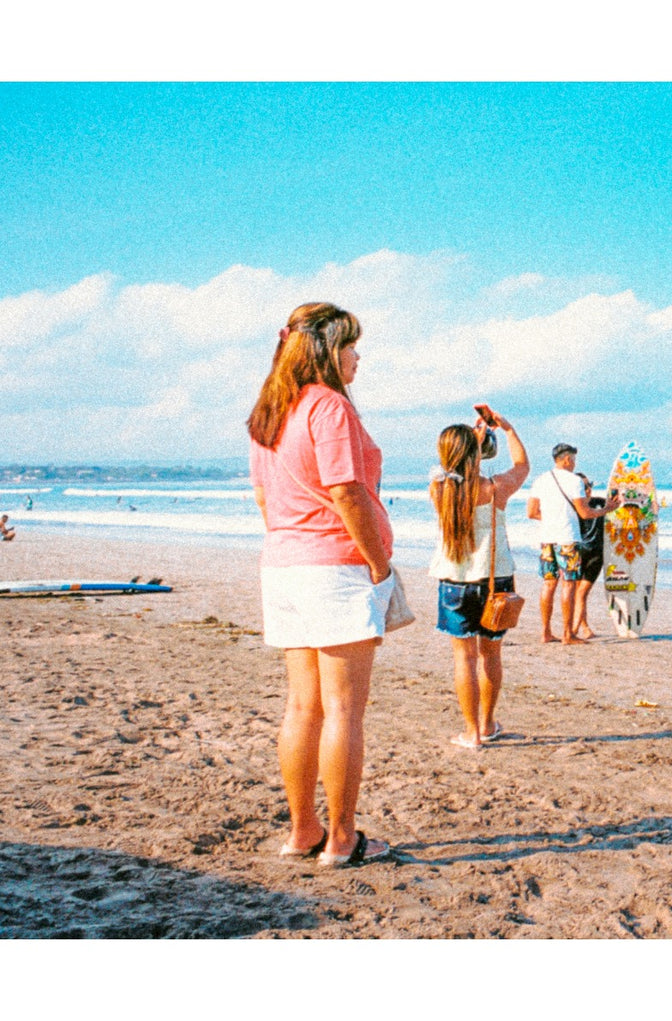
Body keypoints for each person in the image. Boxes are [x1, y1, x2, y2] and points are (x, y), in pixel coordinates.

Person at [247, 301, 395, 868]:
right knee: (342, 712)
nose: (359, 356)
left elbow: (264, 498)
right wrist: (377, 561)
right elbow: (346, 491)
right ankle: (341, 837)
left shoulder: (270, 411)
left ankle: (302, 830)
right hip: (333, 566)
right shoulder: (328, 406)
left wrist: (297, 545)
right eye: (352, 346)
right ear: (329, 351)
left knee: (302, 707)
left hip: (284, 564)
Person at [428, 408, 530, 748]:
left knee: (464, 659)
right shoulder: (495, 488)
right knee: (491, 655)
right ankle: (487, 724)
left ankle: (470, 733)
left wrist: (470, 440)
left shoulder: (439, 489)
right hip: (494, 582)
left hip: (455, 581)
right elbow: (523, 466)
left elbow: (455, 469)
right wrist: (507, 427)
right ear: (474, 452)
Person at [526, 443, 620, 644]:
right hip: (567, 538)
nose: (574, 463)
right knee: (568, 584)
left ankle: (546, 632)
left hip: (546, 538)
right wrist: (607, 509)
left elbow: (532, 512)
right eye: (573, 459)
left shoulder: (540, 480)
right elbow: (585, 513)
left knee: (549, 583)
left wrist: (552, 518)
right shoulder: (574, 481)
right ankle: (568, 634)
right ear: (567, 459)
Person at [570, 472, 606, 640]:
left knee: (582, 593)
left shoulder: (599, 503)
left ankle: (577, 628)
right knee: (579, 593)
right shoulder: (571, 508)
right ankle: (581, 628)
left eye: (589, 484)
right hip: (578, 552)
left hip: (596, 554)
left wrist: (652, 506)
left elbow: (623, 506)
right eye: (584, 486)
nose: (588, 488)